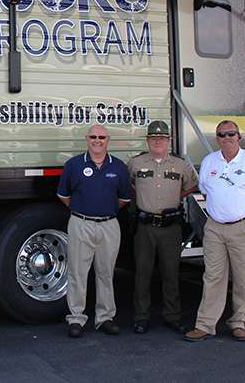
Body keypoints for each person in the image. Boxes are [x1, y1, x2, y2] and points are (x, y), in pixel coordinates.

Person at [185, 120, 245, 342]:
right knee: (213, 276)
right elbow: (206, 191)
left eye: (230, 134)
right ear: (217, 139)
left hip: (244, 226)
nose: (226, 138)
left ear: (239, 136)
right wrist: (222, 210)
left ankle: (238, 322)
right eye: (221, 135)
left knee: (243, 277)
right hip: (215, 227)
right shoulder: (209, 162)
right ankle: (205, 325)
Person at [57, 124, 130, 338]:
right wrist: (83, 210)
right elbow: (63, 195)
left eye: (102, 137)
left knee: (106, 273)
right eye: (93, 137)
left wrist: (103, 210)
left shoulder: (118, 167)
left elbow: (124, 198)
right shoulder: (74, 165)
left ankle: (105, 318)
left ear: (108, 140)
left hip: (109, 225)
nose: (97, 140)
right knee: (78, 273)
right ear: (86, 139)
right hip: (81, 223)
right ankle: (76, 318)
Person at [127, 121, 197, 334]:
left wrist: (174, 201)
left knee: (171, 273)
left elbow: (191, 186)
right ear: (147, 140)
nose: (158, 141)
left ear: (169, 141)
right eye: (153, 138)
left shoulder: (180, 165)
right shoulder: (135, 163)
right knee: (142, 273)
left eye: (162, 138)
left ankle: (172, 316)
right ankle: (141, 317)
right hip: (144, 227)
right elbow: (129, 186)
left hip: (170, 227)